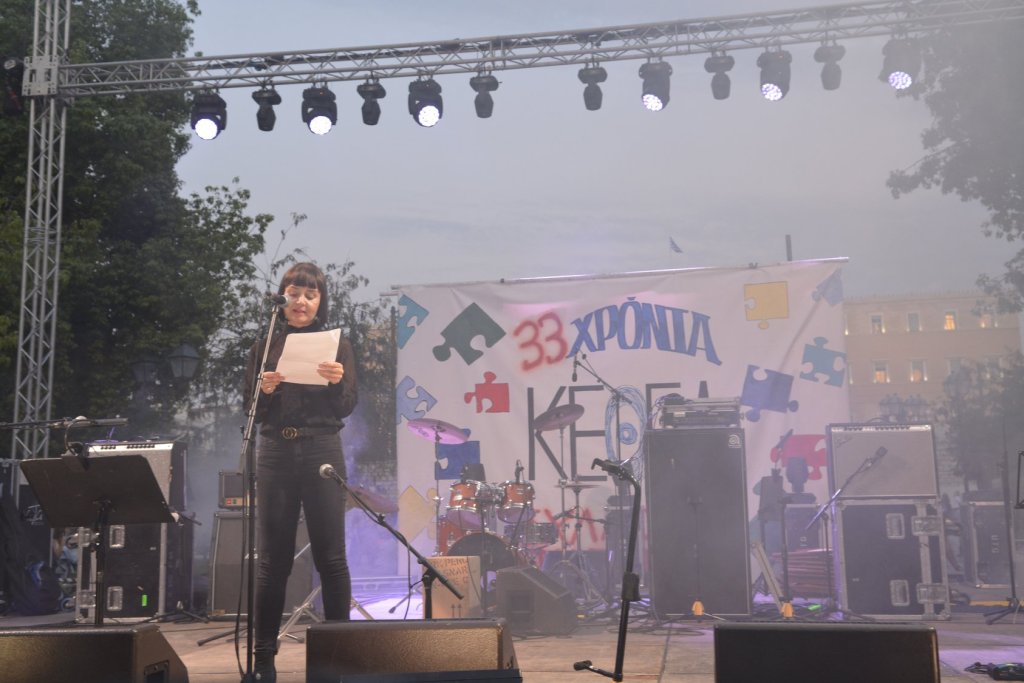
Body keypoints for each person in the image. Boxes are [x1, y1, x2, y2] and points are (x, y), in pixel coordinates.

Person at [243, 262, 358, 682]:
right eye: (294, 294)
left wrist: (336, 381)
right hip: (275, 450)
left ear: (320, 301)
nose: (301, 302)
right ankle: (263, 660)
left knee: (332, 557)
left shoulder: (337, 345)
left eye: (310, 295)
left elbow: (346, 405)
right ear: (283, 298)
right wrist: (264, 390)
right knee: (272, 562)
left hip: (322, 447)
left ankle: (338, 659)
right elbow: (250, 410)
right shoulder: (264, 346)